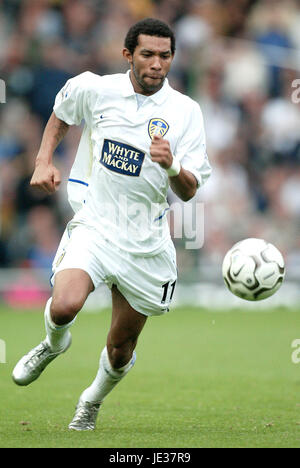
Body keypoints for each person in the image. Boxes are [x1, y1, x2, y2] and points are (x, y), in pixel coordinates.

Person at [12, 18, 211, 431]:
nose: (158, 64)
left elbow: (190, 191)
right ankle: (52, 344)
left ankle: (91, 400)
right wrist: (43, 160)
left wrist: (171, 164)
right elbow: (61, 112)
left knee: (121, 348)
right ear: (128, 55)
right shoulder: (96, 88)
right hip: (97, 224)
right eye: (148, 54)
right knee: (65, 304)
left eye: (165, 55)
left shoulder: (185, 112)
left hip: (146, 241)